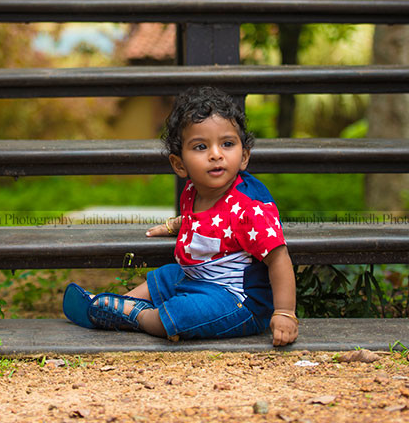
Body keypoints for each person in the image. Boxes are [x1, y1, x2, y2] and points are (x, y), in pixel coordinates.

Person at [63, 86, 298, 346]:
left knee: (180, 314)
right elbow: (203, 221)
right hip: (197, 279)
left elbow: (279, 259)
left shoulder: (248, 208)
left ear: (243, 156)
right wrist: (176, 225)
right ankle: (117, 304)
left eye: (227, 144)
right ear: (179, 165)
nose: (216, 154)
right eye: (200, 146)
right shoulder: (193, 190)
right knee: (165, 276)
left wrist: (285, 312)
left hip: (236, 301)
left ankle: (136, 316)